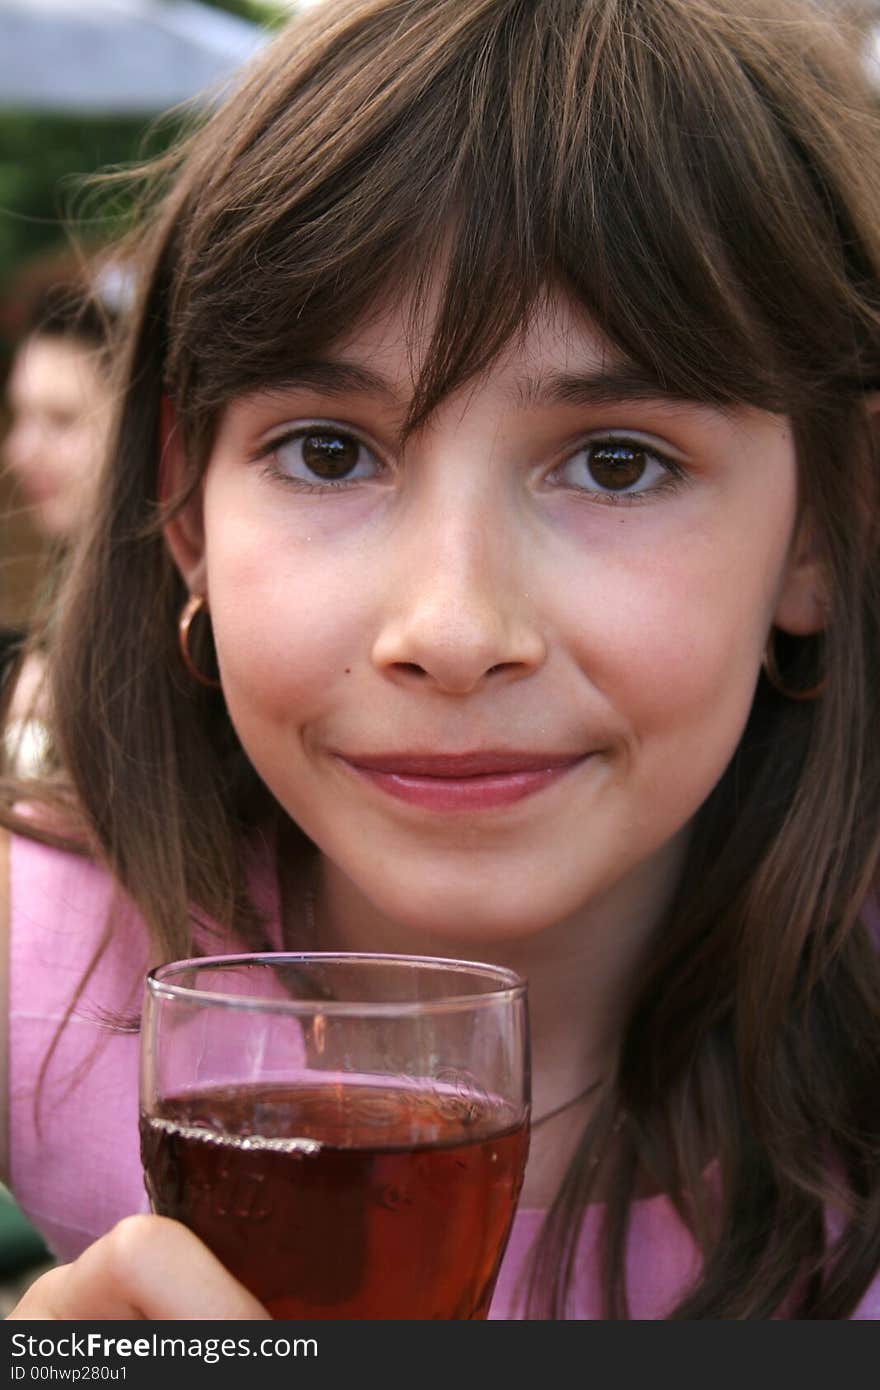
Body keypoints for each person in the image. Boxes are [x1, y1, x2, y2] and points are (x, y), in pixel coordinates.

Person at [1, 0, 879, 1320]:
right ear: (186, 508)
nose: (454, 632)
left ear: (826, 521)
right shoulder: (29, 972)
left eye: (618, 461)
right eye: (330, 451)